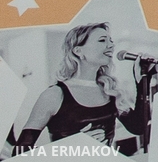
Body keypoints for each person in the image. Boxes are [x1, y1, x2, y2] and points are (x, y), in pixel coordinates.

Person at [8, 23, 129, 152]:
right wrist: (73, 146)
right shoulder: (54, 95)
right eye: (102, 40)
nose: (111, 45)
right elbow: (20, 151)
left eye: (111, 41)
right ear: (78, 51)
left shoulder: (109, 90)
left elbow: (138, 128)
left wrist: (141, 79)